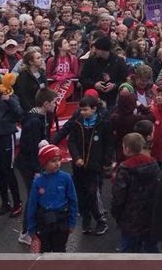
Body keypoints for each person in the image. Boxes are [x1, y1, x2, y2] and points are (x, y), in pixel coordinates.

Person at [52, 95, 112, 236]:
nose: (82, 112)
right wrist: (77, 157)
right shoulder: (77, 122)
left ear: (94, 109)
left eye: (85, 110)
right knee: (80, 193)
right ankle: (86, 219)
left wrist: (106, 161)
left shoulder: (103, 123)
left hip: (94, 165)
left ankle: (100, 219)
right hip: (79, 165)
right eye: (81, 110)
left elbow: (109, 144)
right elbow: (72, 142)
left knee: (92, 193)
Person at [14, 88, 57, 245]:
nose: (55, 105)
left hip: (31, 164)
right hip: (29, 165)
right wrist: (37, 170)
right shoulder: (34, 121)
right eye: (53, 102)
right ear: (45, 103)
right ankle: (25, 232)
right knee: (33, 198)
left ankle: (31, 229)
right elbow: (30, 148)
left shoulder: (41, 116)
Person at [26, 141, 78, 253]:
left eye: (59, 160)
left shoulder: (66, 178)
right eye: (53, 161)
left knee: (60, 250)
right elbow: (32, 206)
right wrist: (31, 228)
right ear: (44, 162)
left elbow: (73, 201)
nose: (58, 163)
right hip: (43, 222)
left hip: (61, 220)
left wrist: (72, 222)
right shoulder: (37, 182)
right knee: (45, 251)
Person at [111, 132, 159, 253]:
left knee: (127, 250)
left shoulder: (125, 169)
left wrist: (116, 213)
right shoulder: (153, 164)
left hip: (130, 217)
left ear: (127, 149)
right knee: (150, 249)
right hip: (149, 215)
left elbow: (119, 196)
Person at [0, 76, 24, 215]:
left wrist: (10, 101)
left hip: (6, 136)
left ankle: (17, 202)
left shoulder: (10, 97)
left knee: (8, 170)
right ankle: (5, 202)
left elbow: (19, 114)